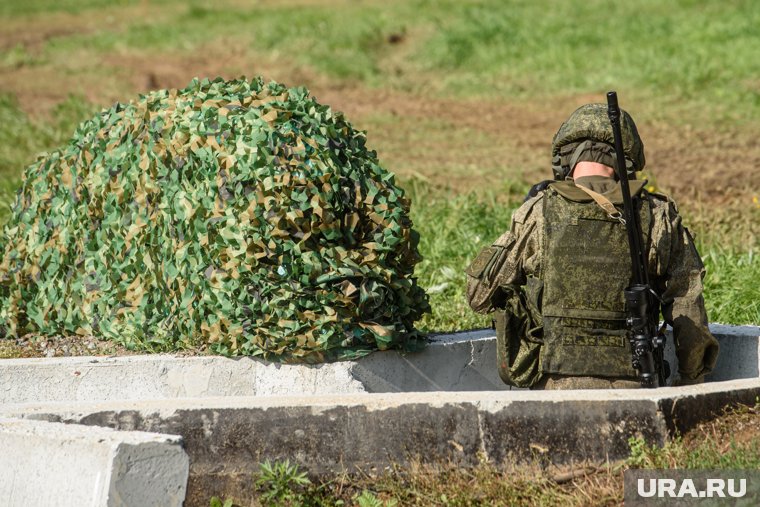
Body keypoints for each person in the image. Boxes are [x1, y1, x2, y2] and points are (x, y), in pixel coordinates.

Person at [465, 103, 719, 389]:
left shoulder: (537, 212)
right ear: (629, 160)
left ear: (564, 158)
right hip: (636, 387)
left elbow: (479, 295)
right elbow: (690, 312)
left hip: (552, 388)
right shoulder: (658, 215)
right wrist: (691, 380)